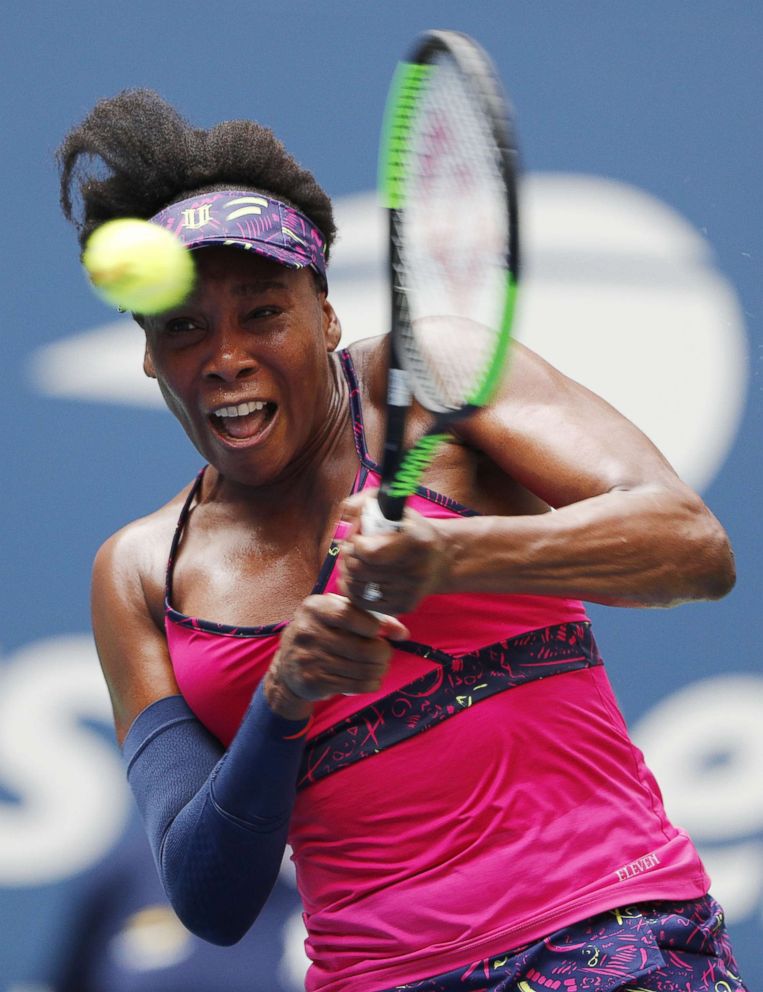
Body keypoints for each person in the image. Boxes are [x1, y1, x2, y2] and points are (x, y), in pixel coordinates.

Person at [57, 88, 747, 992]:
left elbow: (691, 545)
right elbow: (207, 896)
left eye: (263, 311)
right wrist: (284, 695)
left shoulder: (436, 375)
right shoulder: (141, 573)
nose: (225, 355)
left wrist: (454, 555)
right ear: (150, 355)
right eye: (185, 327)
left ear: (325, 314)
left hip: (603, 934)